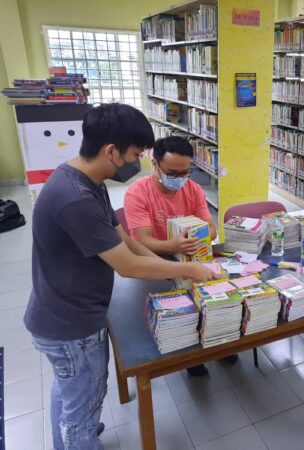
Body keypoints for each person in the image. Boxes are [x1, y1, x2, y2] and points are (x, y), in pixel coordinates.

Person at [23, 103, 216, 450]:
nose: (137, 163)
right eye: (135, 154)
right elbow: (126, 265)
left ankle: (72, 434)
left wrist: (169, 267)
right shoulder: (76, 197)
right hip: (71, 323)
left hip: (67, 309)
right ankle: (76, 439)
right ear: (111, 151)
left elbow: (123, 238)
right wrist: (188, 268)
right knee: (81, 410)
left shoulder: (84, 179)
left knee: (69, 393)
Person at [124, 135, 236, 376]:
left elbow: (211, 227)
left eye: (186, 172)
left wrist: (204, 235)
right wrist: (174, 245)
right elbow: (141, 241)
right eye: (173, 174)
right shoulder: (137, 193)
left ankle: (222, 340)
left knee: (216, 292)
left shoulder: (193, 189)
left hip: (192, 256)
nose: (180, 180)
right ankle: (191, 354)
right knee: (181, 308)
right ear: (155, 165)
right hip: (156, 263)